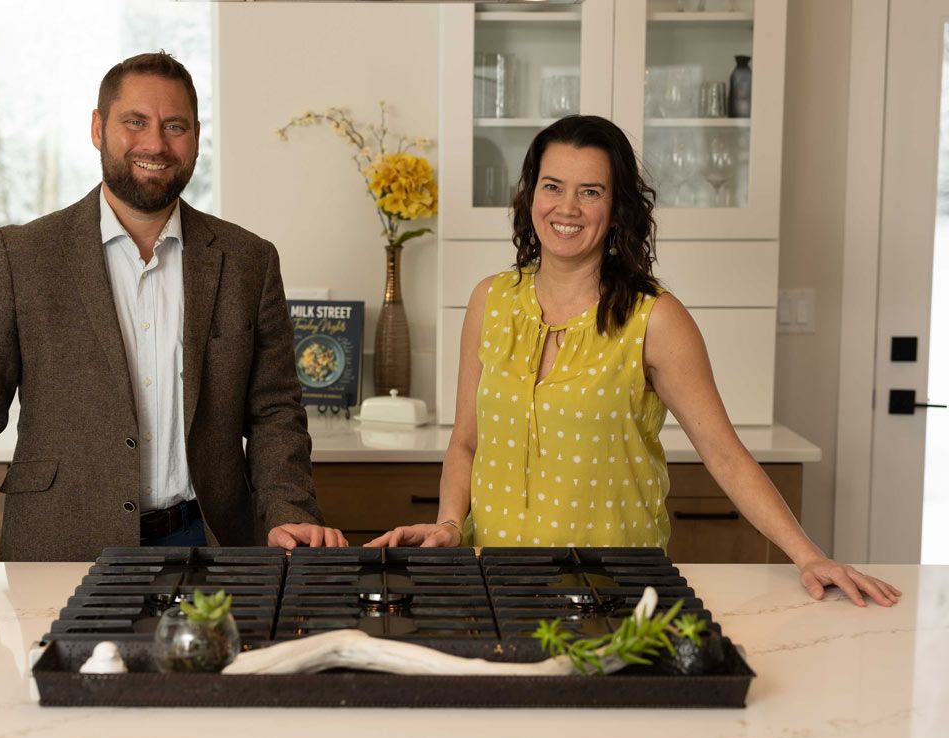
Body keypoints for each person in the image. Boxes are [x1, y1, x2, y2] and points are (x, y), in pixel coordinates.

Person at [367, 116, 900, 608]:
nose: (567, 208)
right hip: (495, 583)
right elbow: (466, 441)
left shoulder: (656, 319)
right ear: (530, 195)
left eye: (590, 191)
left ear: (617, 206)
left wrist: (809, 556)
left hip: (614, 589)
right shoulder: (490, 300)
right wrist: (450, 524)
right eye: (552, 186)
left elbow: (725, 455)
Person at [0, 52, 344, 589]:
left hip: (209, 543)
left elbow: (275, 410)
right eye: (134, 121)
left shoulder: (248, 260)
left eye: (174, 126)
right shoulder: (24, 256)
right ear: (98, 128)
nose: (155, 144)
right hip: (61, 545)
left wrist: (290, 510)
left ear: (196, 137)